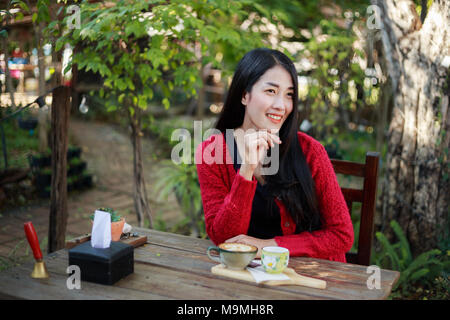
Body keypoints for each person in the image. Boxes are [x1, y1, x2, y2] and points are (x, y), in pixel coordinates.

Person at [195, 48, 353, 262]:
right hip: (251, 280)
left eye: (289, 95)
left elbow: (341, 235)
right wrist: (246, 170)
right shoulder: (212, 152)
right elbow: (225, 238)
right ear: (244, 95)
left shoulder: (310, 151)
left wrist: (270, 246)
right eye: (271, 91)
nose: (282, 106)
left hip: (315, 278)